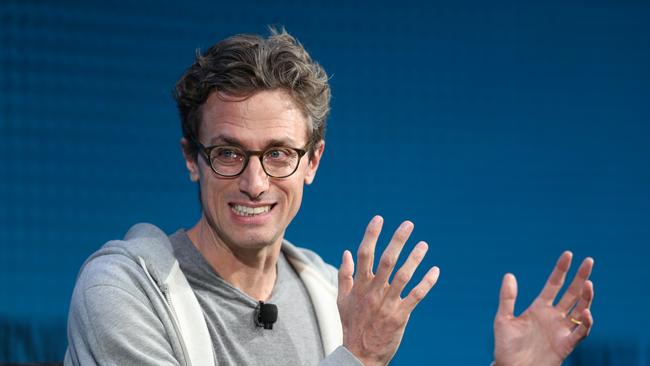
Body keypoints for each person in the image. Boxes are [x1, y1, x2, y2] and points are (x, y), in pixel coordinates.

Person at [64, 28, 595, 366]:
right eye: (229, 154)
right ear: (190, 157)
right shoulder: (124, 292)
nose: (254, 183)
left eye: (278, 154)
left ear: (313, 161)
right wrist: (358, 357)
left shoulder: (327, 296)